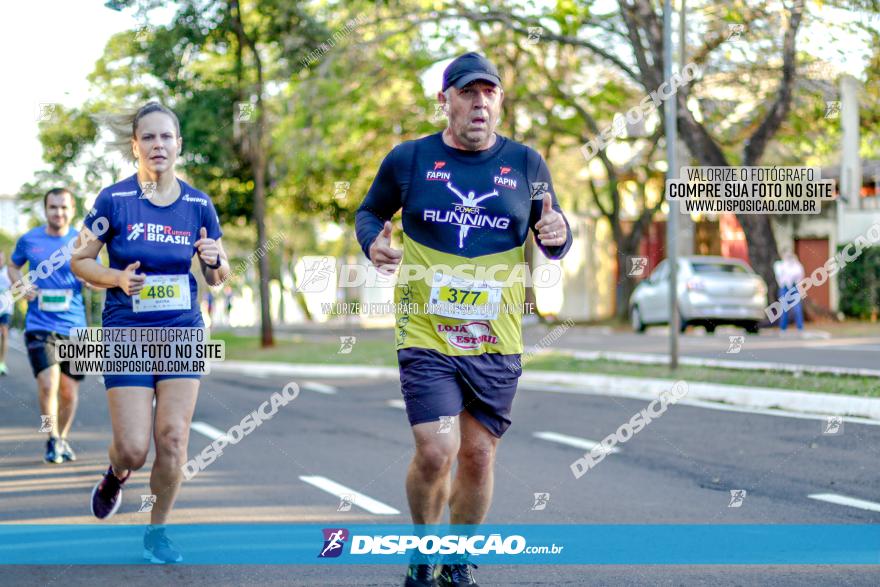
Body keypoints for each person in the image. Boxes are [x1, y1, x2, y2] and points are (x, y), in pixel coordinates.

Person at [356, 53, 572, 587]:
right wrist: (372, 244)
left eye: (489, 93)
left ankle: (456, 560)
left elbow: (555, 231)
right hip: (425, 329)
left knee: (476, 455)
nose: (480, 103)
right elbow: (369, 213)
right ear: (445, 99)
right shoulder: (409, 159)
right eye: (468, 93)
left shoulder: (527, 164)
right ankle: (421, 553)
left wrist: (560, 236)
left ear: (499, 100)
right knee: (437, 450)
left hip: (496, 333)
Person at [71, 101, 228, 564]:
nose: (158, 145)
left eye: (166, 137)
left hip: (182, 330)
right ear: (135, 145)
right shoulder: (113, 200)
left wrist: (216, 261)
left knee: (174, 438)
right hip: (127, 331)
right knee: (135, 448)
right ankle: (117, 473)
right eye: (149, 137)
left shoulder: (199, 204)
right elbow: (80, 261)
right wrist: (117, 278)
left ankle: (157, 533)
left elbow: (218, 277)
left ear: (179, 144)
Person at [7, 189, 89, 463]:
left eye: (64, 207)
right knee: (48, 384)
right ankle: (52, 438)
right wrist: (20, 283)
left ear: (72, 209)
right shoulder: (30, 239)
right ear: (45, 210)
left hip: (77, 327)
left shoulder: (84, 241)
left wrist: (93, 280)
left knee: (69, 390)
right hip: (39, 324)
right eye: (53, 207)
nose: (58, 212)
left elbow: (96, 274)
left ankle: (63, 437)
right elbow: (13, 265)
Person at [773, 249, 805, 332]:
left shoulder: (796, 265)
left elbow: (799, 274)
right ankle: (783, 328)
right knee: (784, 308)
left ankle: (800, 327)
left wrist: (795, 261)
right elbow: (780, 274)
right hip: (784, 287)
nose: (788, 257)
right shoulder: (779, 265)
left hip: (794, 287)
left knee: (797, 308)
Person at [0, 251, 11, 375]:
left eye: (1, 258)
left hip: (5, 309)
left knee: (4, 332)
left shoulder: (9, 272)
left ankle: (2, 363)